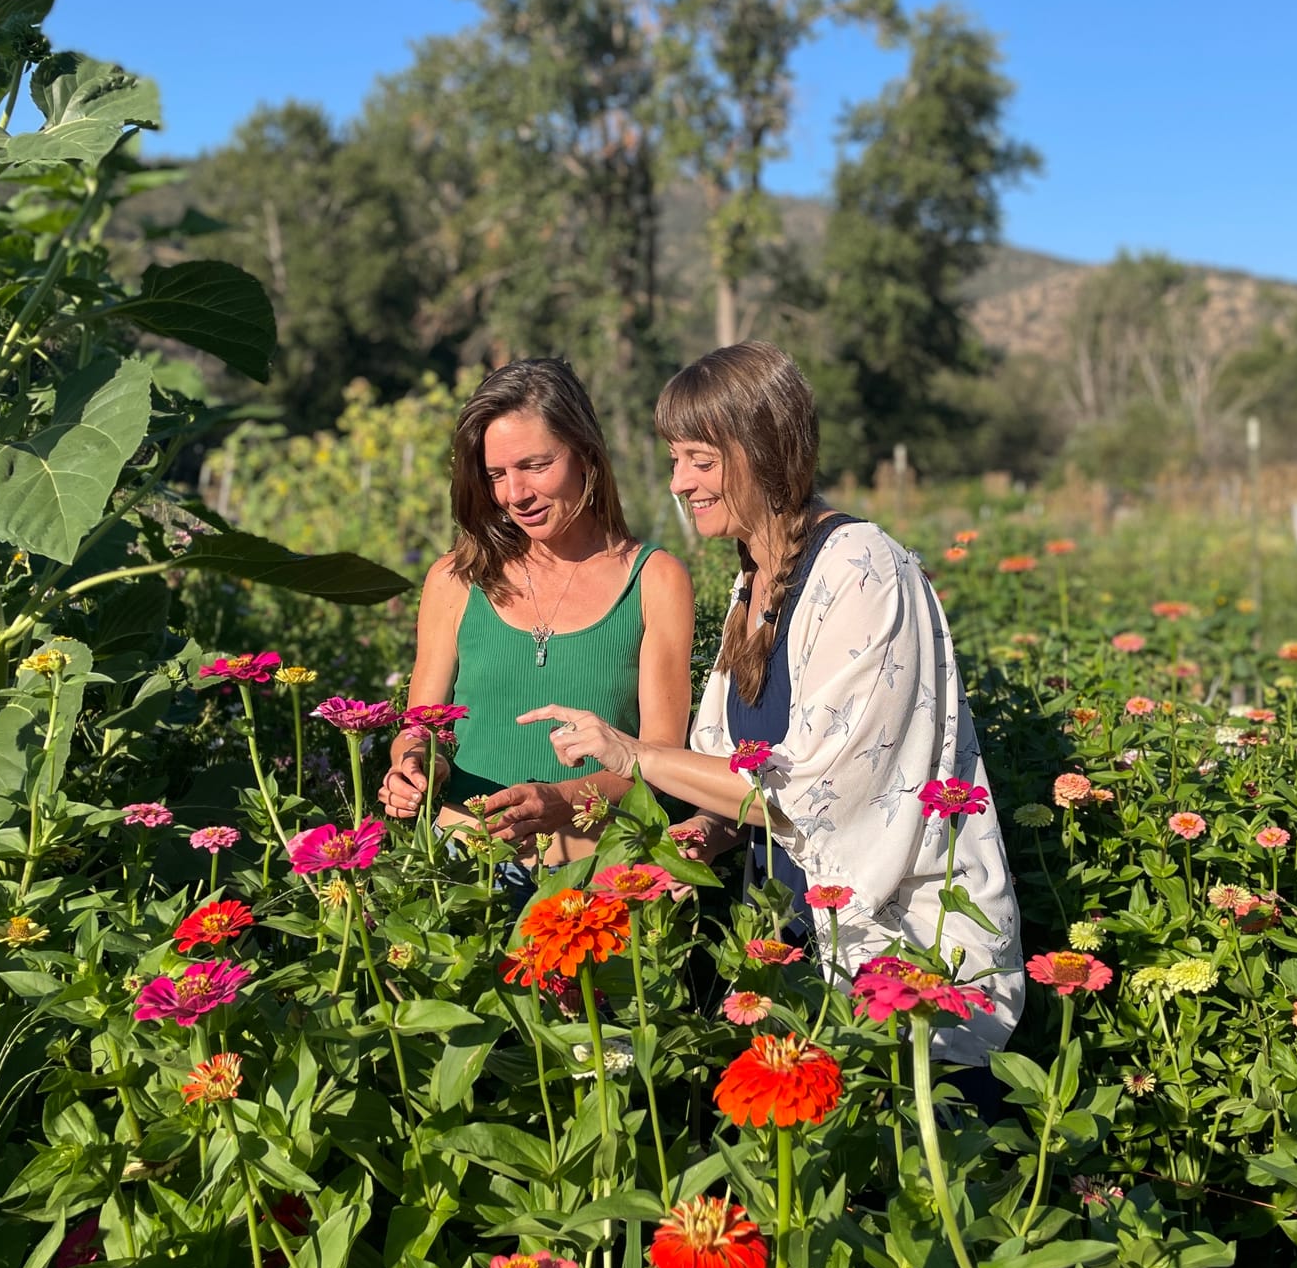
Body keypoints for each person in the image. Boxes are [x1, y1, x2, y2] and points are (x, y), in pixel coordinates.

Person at [523, 342, 1023, 1068]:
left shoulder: (860, 569)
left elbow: (813, 796)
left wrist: (634, 753)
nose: (680, 484)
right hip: (788, 950)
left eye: (700, 459)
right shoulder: (754, 580)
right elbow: (735, 775)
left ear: (764, 449)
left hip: (901, 976)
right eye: (673, 461)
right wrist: (700, 839)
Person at [380, 359, 694, 871]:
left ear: (586, 455)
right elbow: (421, 727)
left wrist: (564, 798)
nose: (515, 495)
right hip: (462, 871)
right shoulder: (455, 580)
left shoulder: (655, 579)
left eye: (535, 466)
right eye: (496, 475)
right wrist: (412, 765)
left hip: (596, 878)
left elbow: (660, 760)